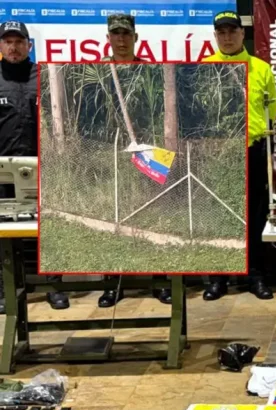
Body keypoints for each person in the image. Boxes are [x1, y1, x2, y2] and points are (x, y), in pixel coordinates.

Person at [201, 10, 276, 300]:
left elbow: (272, 112)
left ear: (242, 34)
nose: (227, 36)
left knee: (256, 215)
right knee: (219, 215)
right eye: (221, 32)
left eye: (232, 31)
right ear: (216, 35)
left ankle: (254, 275)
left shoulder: (261, 68)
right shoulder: (204, 67)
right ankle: (218, 278)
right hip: (217, 152)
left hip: (252, 149)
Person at [96, 14, 168, 307]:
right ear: (109, 38)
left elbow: (160, 110)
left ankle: (161, 281)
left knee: (154, 212)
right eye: (116, 34)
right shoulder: (98, 72)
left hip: (148, 149)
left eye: (127, 34)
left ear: (136, 38)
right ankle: (113, 283)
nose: (122, 40)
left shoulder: (150, 71)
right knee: (113, 213)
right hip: (112, 151)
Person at [0, 20, 69, 309]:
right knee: (4, 232)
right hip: (3, 168)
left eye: (19, 41)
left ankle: (53, 287)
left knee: (48, 229)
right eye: (8, 41)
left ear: (29, 45)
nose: (14, 47)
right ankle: (5, 291)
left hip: (42, 165)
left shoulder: (42, 76)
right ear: (1, 46)